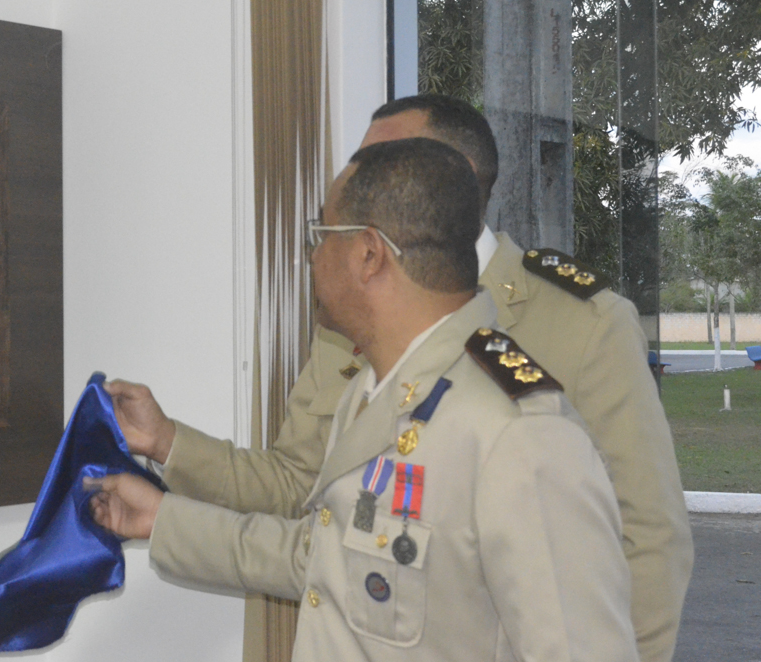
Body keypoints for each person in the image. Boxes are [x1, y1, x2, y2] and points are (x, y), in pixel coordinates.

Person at [108, 95, 692, 662]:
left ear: (373, 250)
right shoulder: (371, 379)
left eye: (323, 235)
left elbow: (642, 550)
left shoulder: (528, 422)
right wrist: (162, 510)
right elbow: (329, 543)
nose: (312, 256)